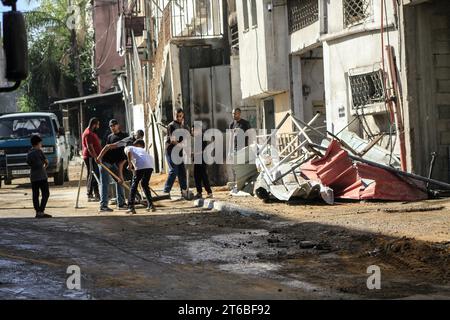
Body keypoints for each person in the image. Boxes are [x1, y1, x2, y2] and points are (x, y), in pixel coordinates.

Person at [96, 119, 128, 212]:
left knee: (120, 181)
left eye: (114, 125)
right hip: (105, 162)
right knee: (105, 184)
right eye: (111, 126)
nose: (113, 128)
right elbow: (106, 148)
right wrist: (99, 158)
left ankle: (121, 203)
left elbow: (122, 159)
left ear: (118, 125)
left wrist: (120, 174)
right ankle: (103, 206)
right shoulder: (109, 137)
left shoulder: (125, 136)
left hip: (114, 163)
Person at [163, 108, 189, 199]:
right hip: (170, 151)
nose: (178, 118)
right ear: (174, 115)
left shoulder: (183, 127)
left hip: (179, 152)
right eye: (177, 116)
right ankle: (166, 192)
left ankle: (184, 191)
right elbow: (173, 140)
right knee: (174, 171)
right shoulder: (171, 126)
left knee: (182, 171)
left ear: (183, 116)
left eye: (180, 116)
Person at [125, 139, 155, 214]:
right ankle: (151, 205)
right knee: (144, 184)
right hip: (150, 165)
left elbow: (128, 152)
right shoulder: (140, 149)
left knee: (134, 185)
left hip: (141, 165)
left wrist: (129, 164)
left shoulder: (128, 147)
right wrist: (133, 167)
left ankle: (131, 207)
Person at [27, 135, 52, 218]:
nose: (41, 145)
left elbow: (29, 163)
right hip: (42, 176)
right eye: (40, 143)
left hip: (33, 177)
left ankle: (38, 212)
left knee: (35, 195)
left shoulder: (29, 153)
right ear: (38, 143)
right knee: (46, 193)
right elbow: (47, 162)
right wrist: (43, 168)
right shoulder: (39, 152)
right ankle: (41, 210)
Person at [81, 118, 101, 201]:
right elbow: (90, 147)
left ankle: (96, 193)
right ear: (94, 124)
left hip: (93, 157)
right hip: (90, 157)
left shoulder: (91, 132)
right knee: (91, 174)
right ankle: (89, 194)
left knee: (95, 174)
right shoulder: (88, 133)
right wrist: (95, 157)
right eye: (98, 125)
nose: (98, 126)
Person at [191, 124, 212, 199]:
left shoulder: (202, 137)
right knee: (197, 176)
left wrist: (193, 153)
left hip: (202, 159)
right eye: (192, 130)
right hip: (197, 159)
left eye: (193, 130)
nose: (192, 132)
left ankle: (209, 192)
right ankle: (199, 192)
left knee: (203, 176)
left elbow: (202, 150)